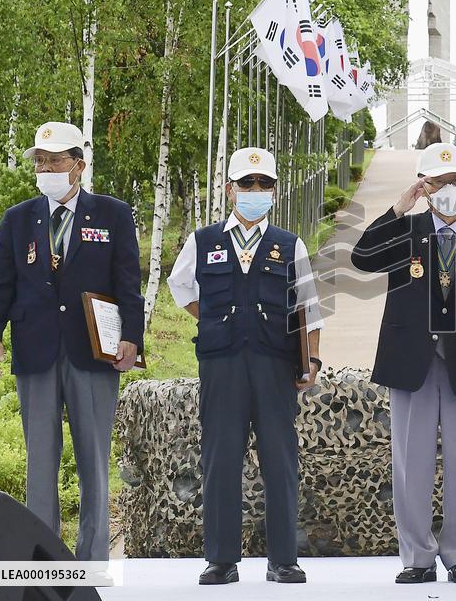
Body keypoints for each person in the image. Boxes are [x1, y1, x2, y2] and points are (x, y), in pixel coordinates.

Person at [351, 142, 456, 584]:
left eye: (455, 182)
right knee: (411, 463)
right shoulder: (405, 232)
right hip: (411, 362)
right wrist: (396, 209)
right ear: (424, 188)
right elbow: (361, 258)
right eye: (438, 183)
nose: (448, 189)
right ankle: (417, 557)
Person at [0, 121, 143, 562]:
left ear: (79, 165)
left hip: (92, 353)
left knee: (93, 458)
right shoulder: (18, 219)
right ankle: (43, 561)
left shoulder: (113, 214)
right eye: (40, 161)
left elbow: (129, 282)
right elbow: (0, 284)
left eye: (55, 160)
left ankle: (91, 561)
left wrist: (132, 336)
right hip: (36, 351)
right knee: (41, 463)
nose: (46, 167)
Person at [168, 146, 324, 585]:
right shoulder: (203, 240)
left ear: (274, 190)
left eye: (264, 184)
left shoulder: (290, 245)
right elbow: (181, 288)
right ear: (229, 189)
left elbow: (309, 307)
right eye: (247, 183)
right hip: (221, 365)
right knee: (220, 458)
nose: (256, 191)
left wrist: (311, 359)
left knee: (280, 459)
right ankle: (220, 558)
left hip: (275, 365)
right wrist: (216, 321)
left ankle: (283, 559)